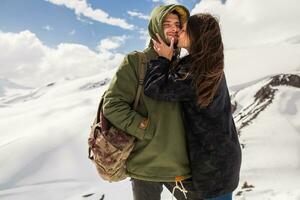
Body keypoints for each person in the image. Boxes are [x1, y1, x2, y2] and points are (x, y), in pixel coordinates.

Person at [102, 4, 203, 200]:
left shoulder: (185, 65)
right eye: (167, 23)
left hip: (181, 165)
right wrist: (145, 128)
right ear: (156, 27)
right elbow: (112, 104)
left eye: (177, 24)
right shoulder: (136, 62)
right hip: (145, 165)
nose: (174, 28)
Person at [144, 13, 242, 200]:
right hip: (222, 161)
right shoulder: (206, 65)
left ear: (196, 35)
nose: (179, 31)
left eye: (184, 28)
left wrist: (163, 59)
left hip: (214, 168)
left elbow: (154, 88)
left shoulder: (195, 71)